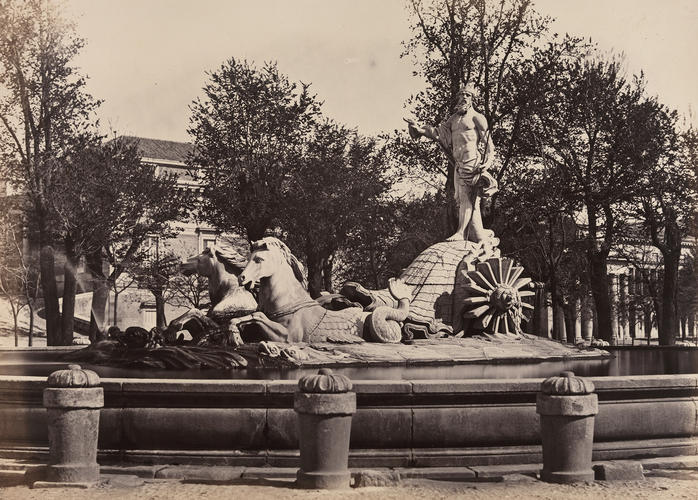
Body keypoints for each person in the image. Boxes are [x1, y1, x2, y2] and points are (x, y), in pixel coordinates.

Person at [404, 83, 498, 242]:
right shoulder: (453, 119)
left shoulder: (477, 118)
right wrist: (418, 129)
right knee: (463, 200)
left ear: (472, 99)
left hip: (473, 163)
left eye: (467, 95)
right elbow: (438, 133)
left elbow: (490, 146)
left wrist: (487, 162)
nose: (463, 98)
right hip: (459, 165)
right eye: (461, 95)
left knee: (466, 198)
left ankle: (462, 232)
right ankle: (479, 235)